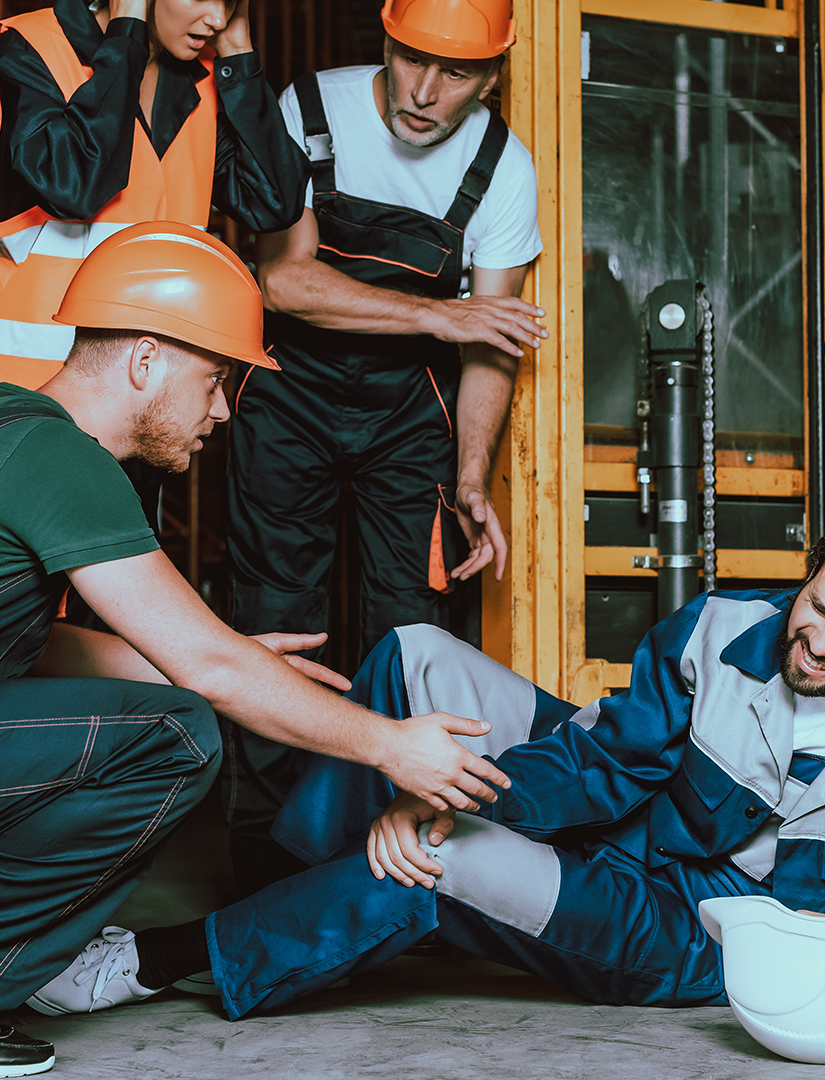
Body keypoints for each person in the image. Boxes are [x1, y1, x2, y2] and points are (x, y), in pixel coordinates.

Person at [0, 223, 510, 1080]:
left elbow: (32, 647)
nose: (224, 411)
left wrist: (230, 658)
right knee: (176, 736)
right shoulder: (62, 460)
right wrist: (388, 743)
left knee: (127, 710)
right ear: (147, 359)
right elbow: (210, 676)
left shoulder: (1, 430)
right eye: (218, 381)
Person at [29, 500, 825, 1018]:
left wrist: (437, 813)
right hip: (622, 822)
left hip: (685, 932)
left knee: (439, 855)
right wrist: (436, 781)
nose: (813, 641)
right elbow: (606, 761)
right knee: (416, 654)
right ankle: (304, 894)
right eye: (815, 604)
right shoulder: (728, 629)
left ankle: (159, 959)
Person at [222, 0, 547, 896]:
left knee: (412, 634)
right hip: (284, 398)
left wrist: (472, 473)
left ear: (490, 79)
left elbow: (492, 342)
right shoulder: (308, 112)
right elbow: (283, 281)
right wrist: (440, 313)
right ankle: (266, 865)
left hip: (413, 416)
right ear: (388, 43)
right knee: (276, 619)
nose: (422, 89)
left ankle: (395, 858)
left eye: (454, 73)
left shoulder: (502, 169)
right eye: (411, 59)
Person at [0, 0, 305, 406]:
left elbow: (274, 202)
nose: (218, 19)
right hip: (15, 397)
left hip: (137, 403)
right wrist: (128, 30)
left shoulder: (200, 77)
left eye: (230, 2)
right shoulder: (36, 45)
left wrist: (239, 54)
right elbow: (76, 186)